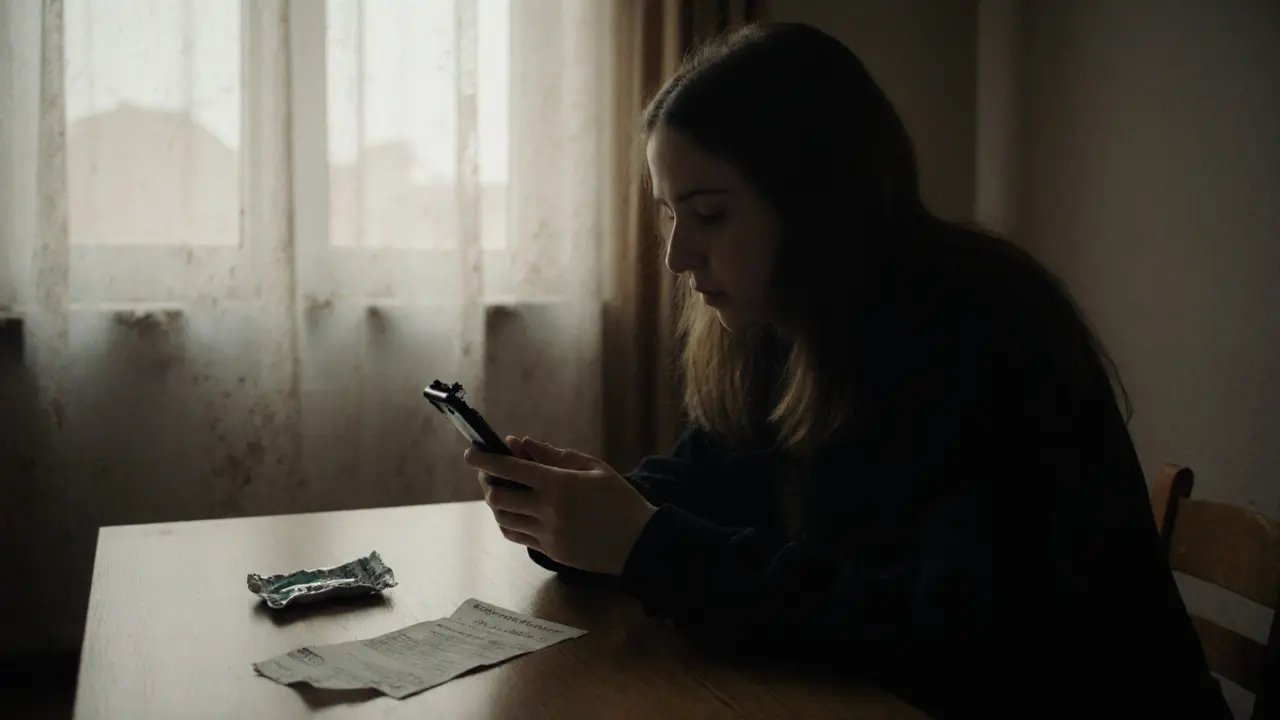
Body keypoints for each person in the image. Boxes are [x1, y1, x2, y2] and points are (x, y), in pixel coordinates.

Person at [462, 21, 1230, 719]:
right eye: (670, 213)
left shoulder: (990, 330)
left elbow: (946, 633)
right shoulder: (778, 324)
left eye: (710, 213)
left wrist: (646, 547)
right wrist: (582, 511)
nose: (676, 255)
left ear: (814, 199)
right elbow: (711, 483)